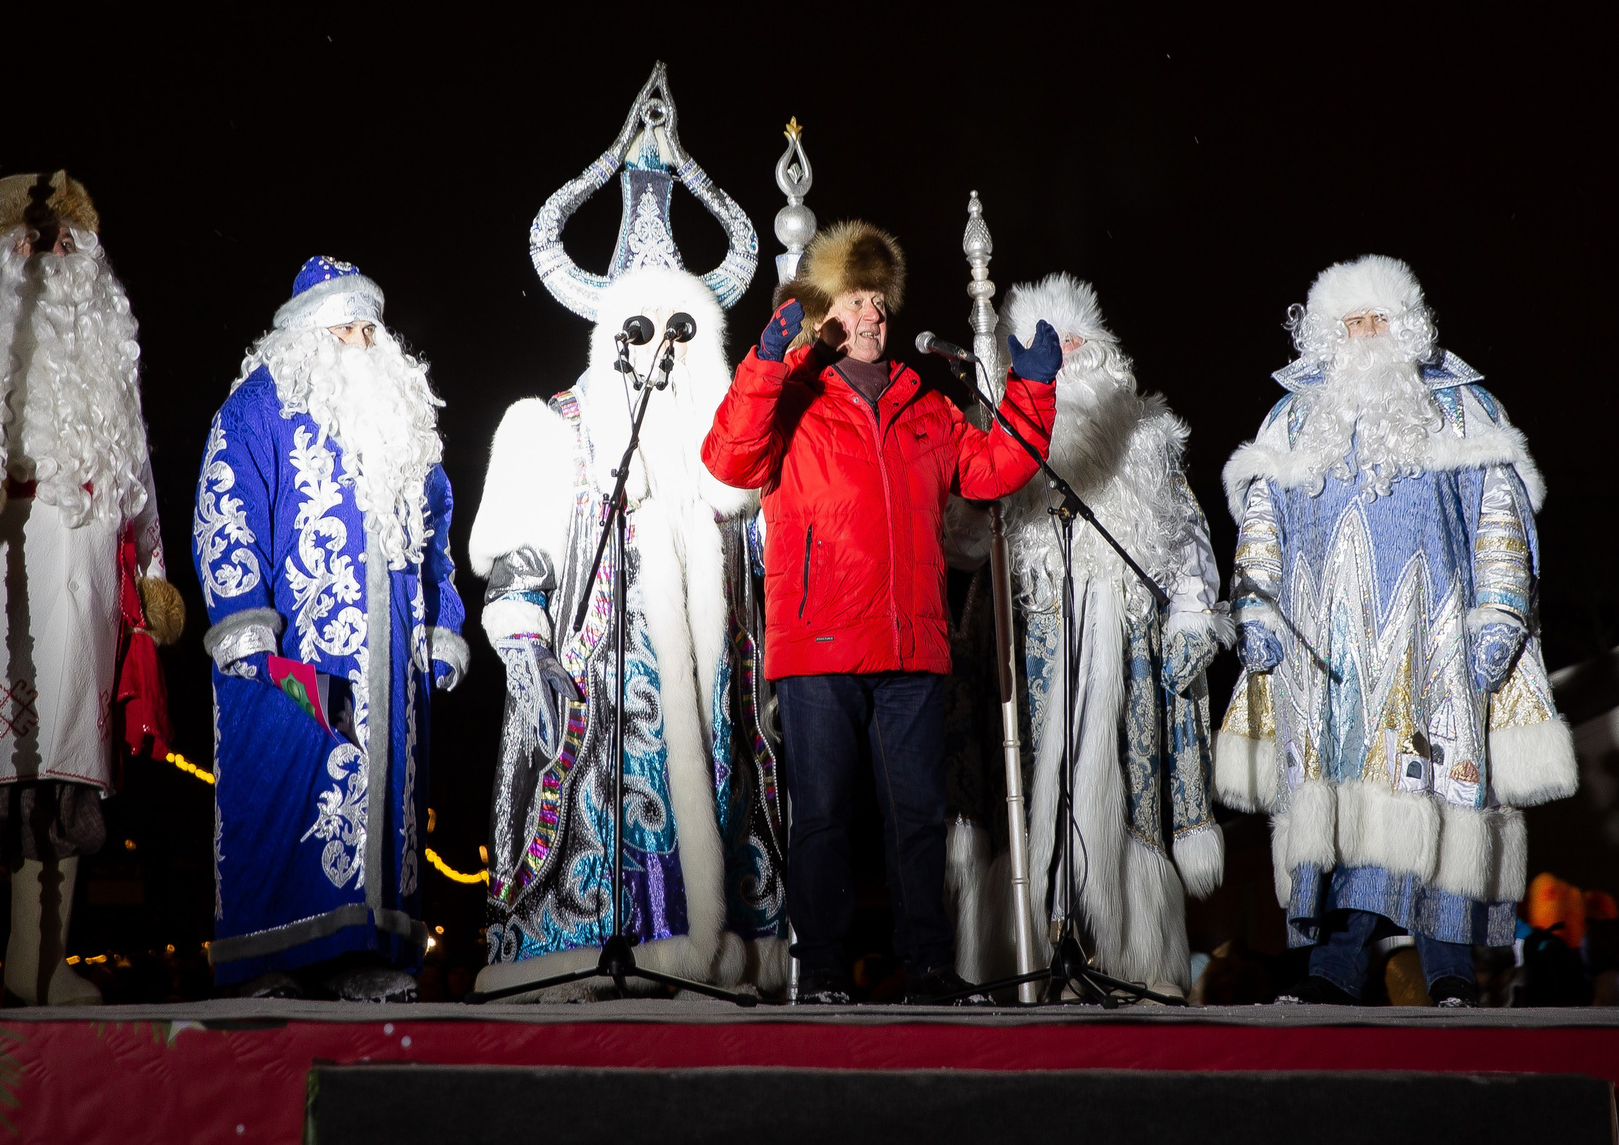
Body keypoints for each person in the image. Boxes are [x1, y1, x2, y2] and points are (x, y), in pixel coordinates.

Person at [702, 219, 1061, 1005]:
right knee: (824, 820)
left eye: (880, 304)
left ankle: (927, 967)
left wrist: (1032, 392)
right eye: (857, 302)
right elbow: (727, 457)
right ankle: (824, 969)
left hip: (911, 646)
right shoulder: (792, 399)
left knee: (918, 822)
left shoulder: (925, 405)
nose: (872, 316)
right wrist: (769, 361)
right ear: (826, 312)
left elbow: (994, 469)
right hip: (820, 642)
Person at [1215, 255, 1575, 1007]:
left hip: (1435, 649)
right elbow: (1261, 526)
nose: (1366, 336)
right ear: (1323, 333)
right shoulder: (1290, 417)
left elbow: (1501, 518)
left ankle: (1449, 975)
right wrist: (1254, 608)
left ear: (1405, 323)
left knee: (1439, 810)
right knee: (1338, 817)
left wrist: (1502, 612)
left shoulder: (1462, 406)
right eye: (1351, 324)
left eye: (1378, 320)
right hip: (1327, 663)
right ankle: (1333, 973)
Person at [0, 171, 181, 1006]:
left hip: (80, 604)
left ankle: (38, 961)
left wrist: (153, 573)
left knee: (61, 779)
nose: (52, 254)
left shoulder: (105, 365)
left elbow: (138, 484)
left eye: (65, 241)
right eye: (34, 238)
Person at [471, 264, 786, 997]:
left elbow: (779, 547)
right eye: (643, 331)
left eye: (682, 331)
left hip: (719, 680)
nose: (661, 353)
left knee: (720, 793)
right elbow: (521, 557)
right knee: (615, 803)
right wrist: (524, 642)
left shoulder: (731, 452)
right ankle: (604, 945)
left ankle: (720, 951)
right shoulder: (560, 428)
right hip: (604, 678)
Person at [194, 255, 462, 1002]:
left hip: (391, 663)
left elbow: (436, 535)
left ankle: (366, 952)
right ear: (309, 334)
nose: (364, 338)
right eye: (347, 324)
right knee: (283, 795)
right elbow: (227, 507)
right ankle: (265, 958)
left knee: (382, 804)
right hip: (294, 660)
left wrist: (443, 626)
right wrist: (242, 619)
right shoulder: (257, 408)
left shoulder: (402, 424)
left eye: (370, 324)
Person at [977, 273, 1227, 997]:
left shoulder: (1146, 435)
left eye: (1078, 343)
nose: (1070, 358)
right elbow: (967, 537)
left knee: (1128, 787)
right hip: (1039, 635)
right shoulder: (1003, 429)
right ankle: (1034, 944)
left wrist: (1191, 613)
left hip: (1125, 635)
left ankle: (1133, 955)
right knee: (1033, 797)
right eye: (1051, 348)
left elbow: (1186, 537)